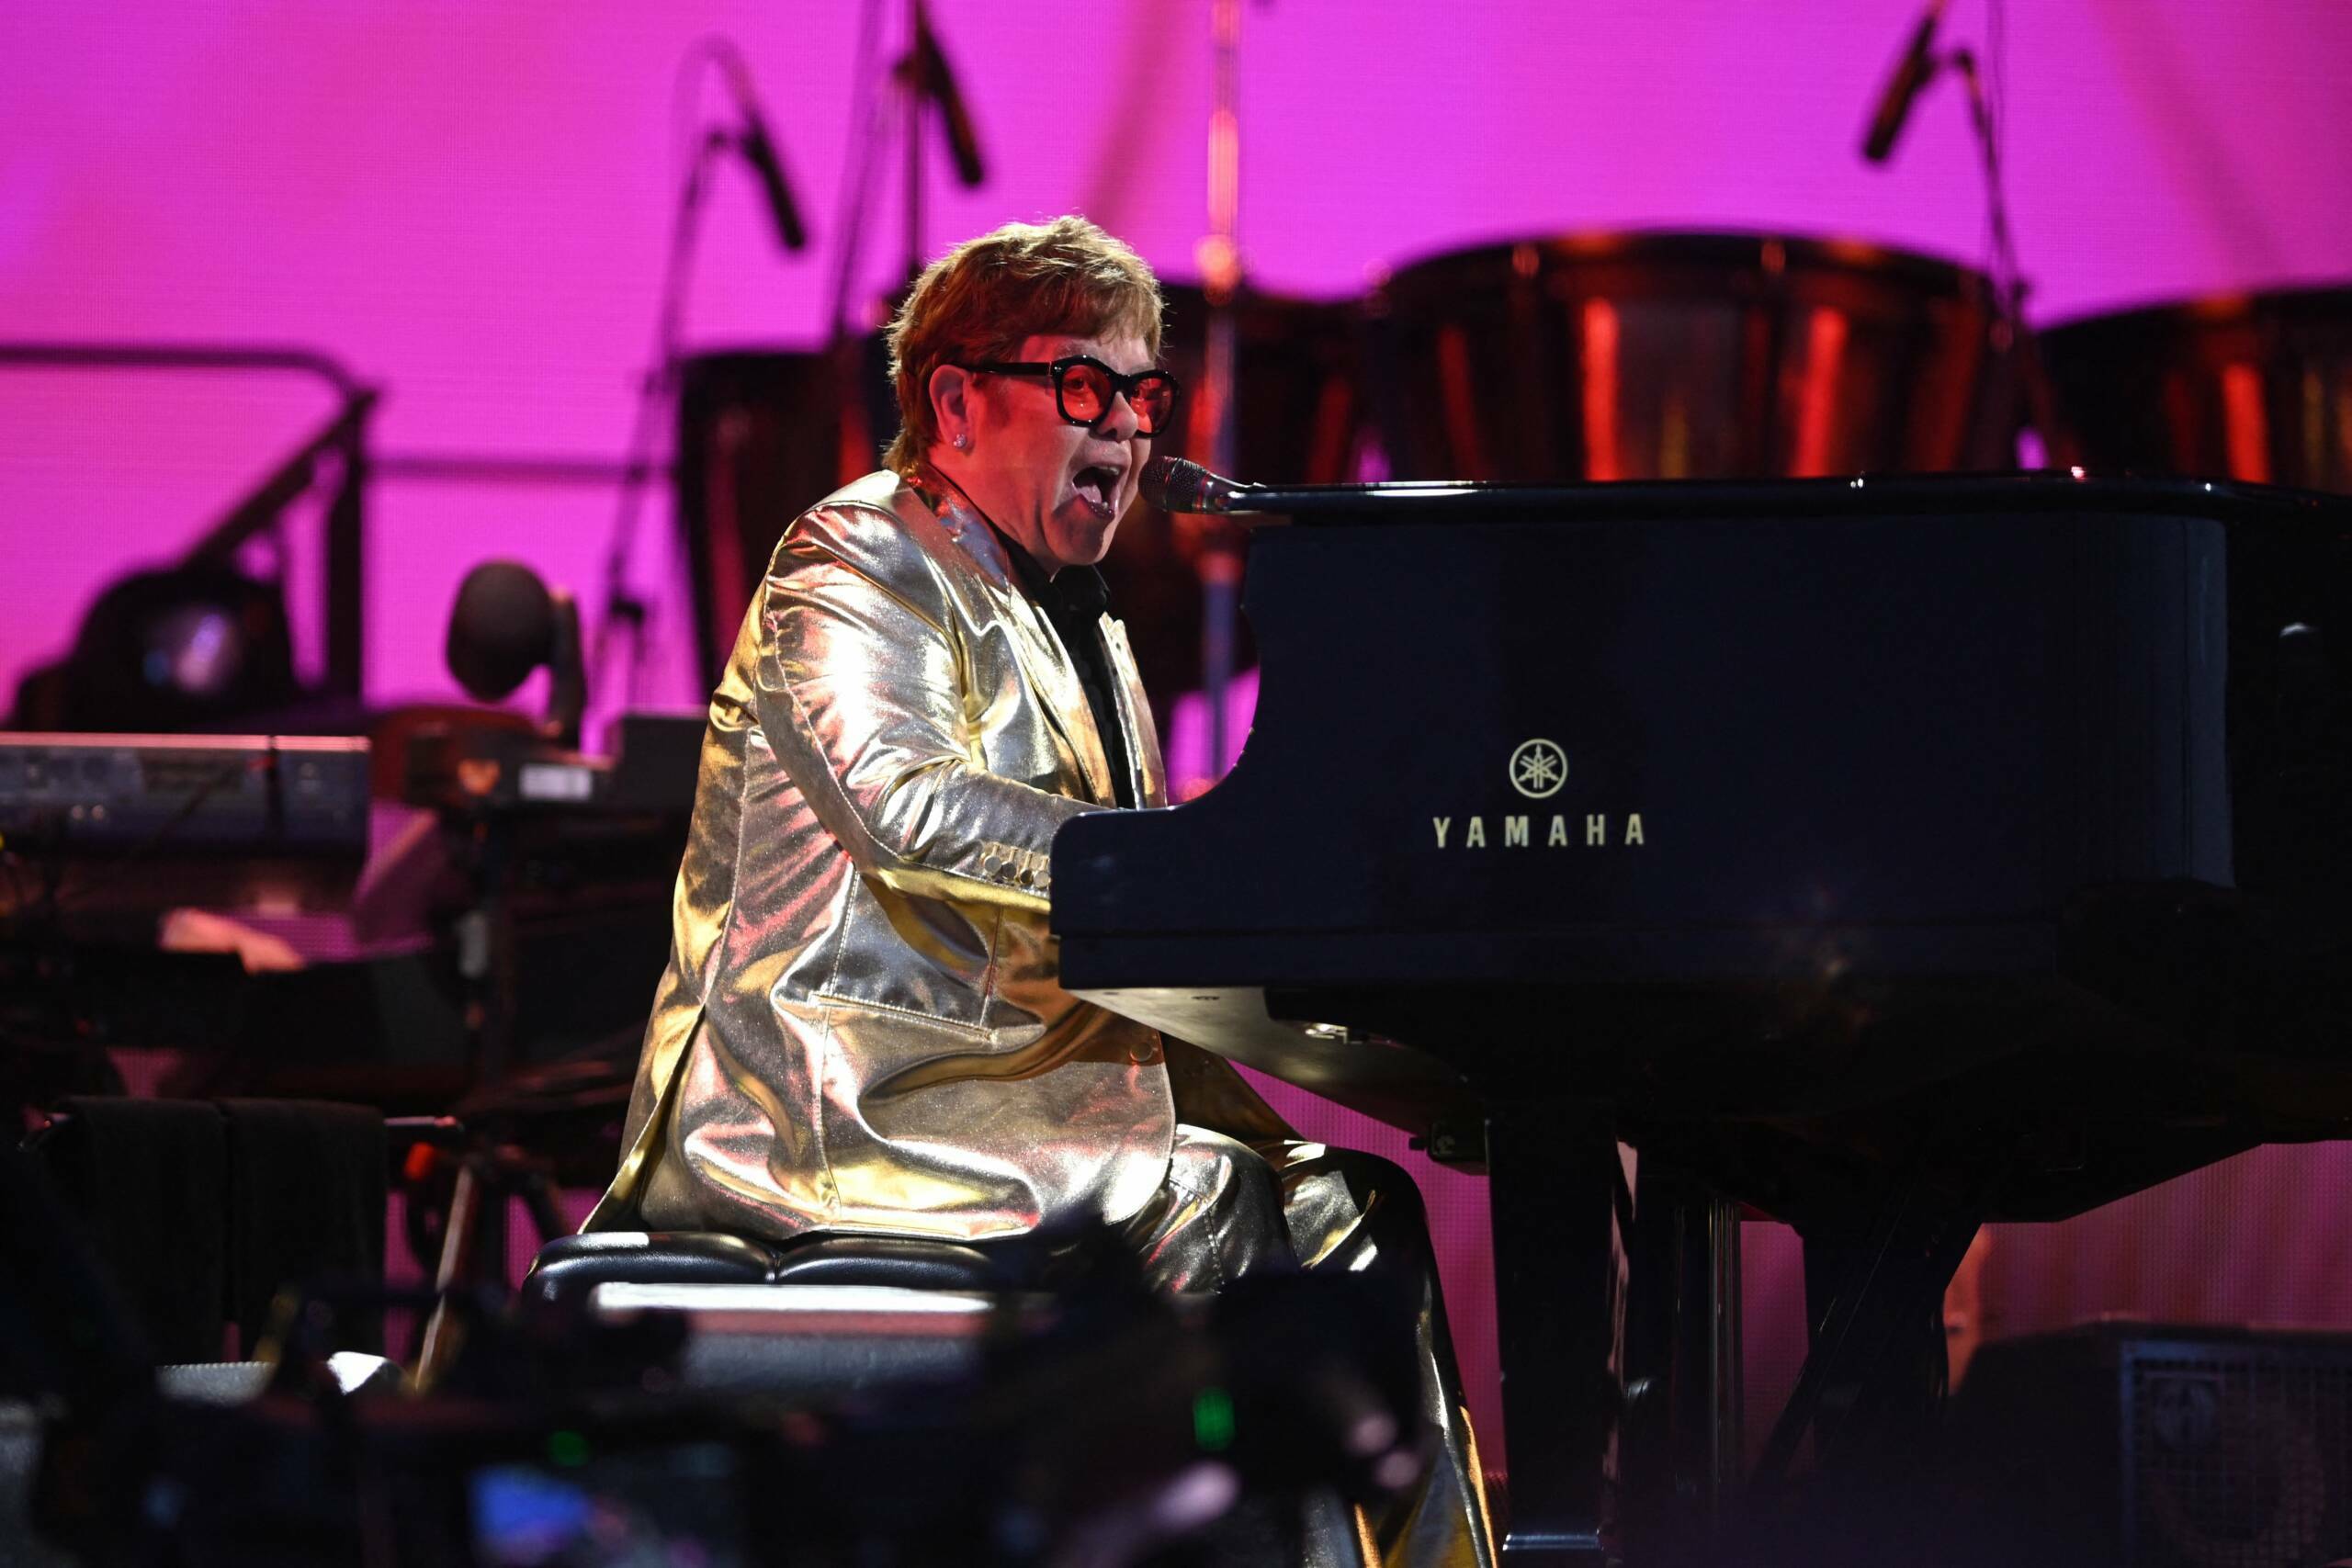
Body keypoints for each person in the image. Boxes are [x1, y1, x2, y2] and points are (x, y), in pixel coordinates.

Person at [588, 216, 1492, 1567]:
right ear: (956, 401)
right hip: (840, 1104)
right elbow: (906, 805)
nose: (1126, 426)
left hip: (1011, 1091)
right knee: (1217, 1205)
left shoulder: (1083, 613)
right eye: (1083, 384)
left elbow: (1128, 892)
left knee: (1356, 1212)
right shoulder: (853, 558)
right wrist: (1193, 863)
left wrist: (1389, 1022)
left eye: (1143, 393)